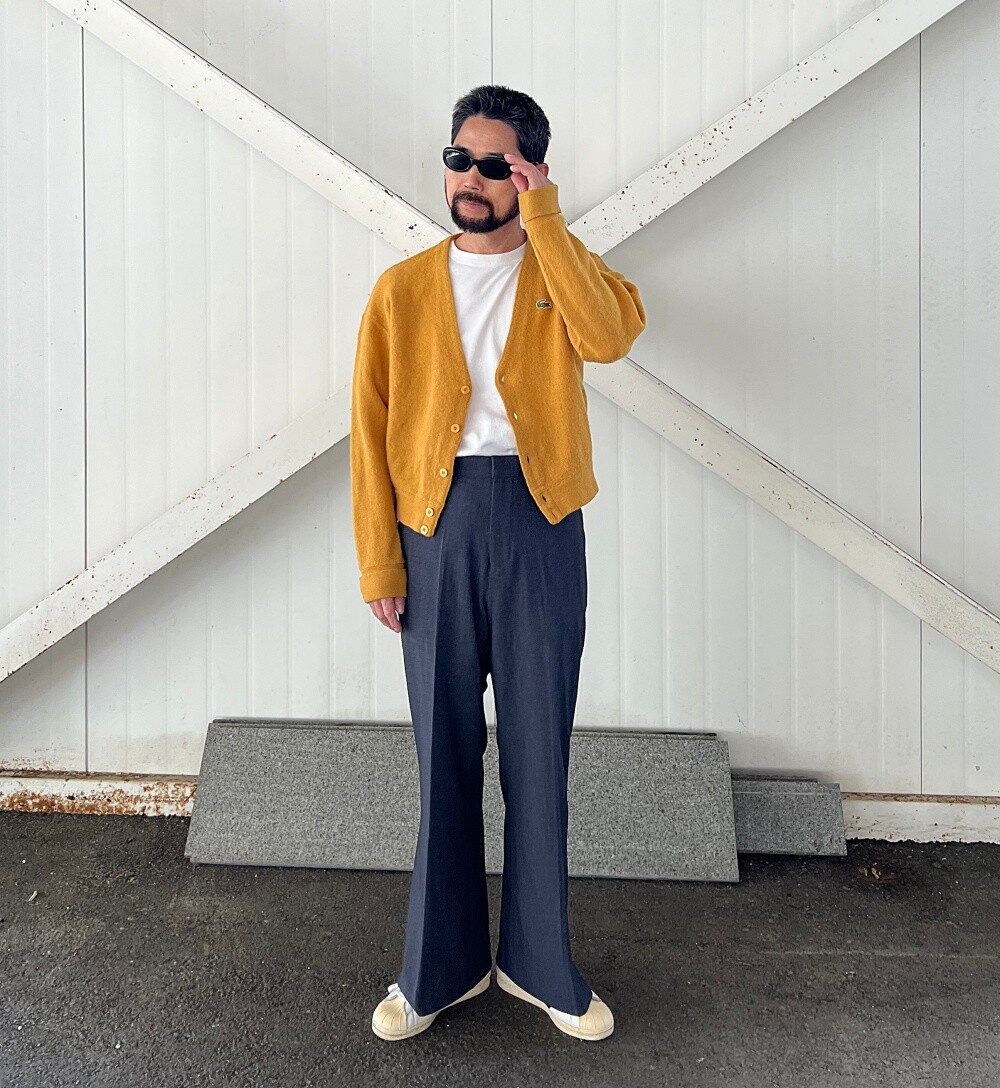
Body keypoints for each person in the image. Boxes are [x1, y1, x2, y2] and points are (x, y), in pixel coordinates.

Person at [350, 84, 646, 1042]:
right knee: (443, 753)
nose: (469, 180)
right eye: (459, 159)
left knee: (537, 750)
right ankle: (436, 970)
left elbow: (610, 337)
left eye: (494, 165)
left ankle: (539, 963)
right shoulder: (400, 290)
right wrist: (381, 564)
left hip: (539, 523)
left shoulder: (562, 270)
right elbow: (369, 435)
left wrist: (547, 217)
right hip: (432, 531)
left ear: (527, 174)